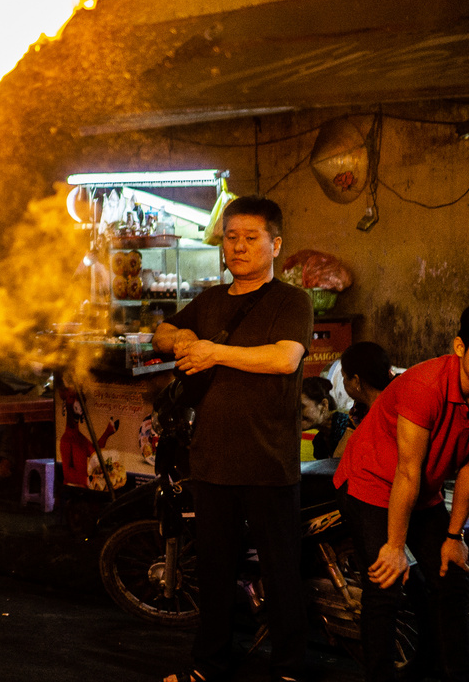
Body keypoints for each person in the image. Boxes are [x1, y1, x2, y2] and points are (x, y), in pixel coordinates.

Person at [151, 195, 313, 682]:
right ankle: (209, 664)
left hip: (268, 462)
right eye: (230, 237)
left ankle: (289, 669)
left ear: (275, 245)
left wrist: (214, 351)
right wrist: (180, 340)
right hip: (213, 461)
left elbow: (284, 358)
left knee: (282, 573)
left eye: (251, 238)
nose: (238, 247)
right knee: (216, 573)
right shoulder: (211, 300)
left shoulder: (291, 301)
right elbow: (160, 330)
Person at [334, 301, 469, 682]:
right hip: (372, 484)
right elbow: (407, 470)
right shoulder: (425, 386)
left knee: (450, 575)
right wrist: (394, 545)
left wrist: (454, 536)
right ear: (459, 347)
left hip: (423, 490)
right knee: (385, 583)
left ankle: (452, 672)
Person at [340, 340, 394, 423]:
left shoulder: (392, 411)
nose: (343, 382)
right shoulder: (359, 410)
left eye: (344, 377)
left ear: (356, 381)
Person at [302, 376, 355, 459]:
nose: (296, 413)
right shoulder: (319, 441)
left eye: (302, 407)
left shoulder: (348, 428)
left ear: (324, 405)